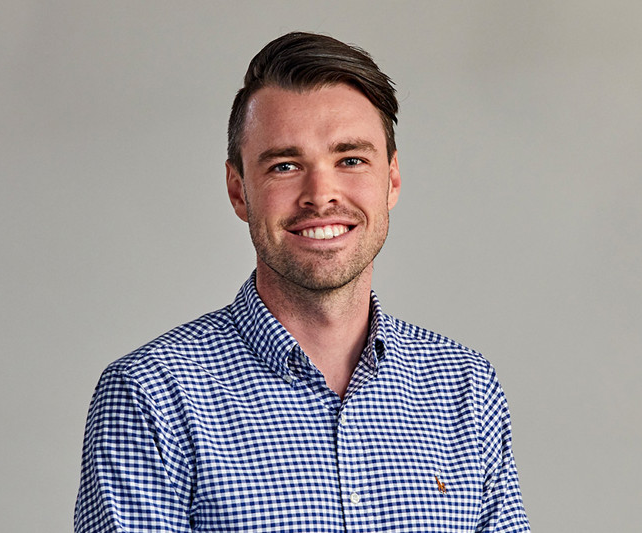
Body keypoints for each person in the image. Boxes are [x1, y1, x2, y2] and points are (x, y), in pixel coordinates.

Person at [75, 32, 529, 532]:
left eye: (350, 159)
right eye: (285, 166)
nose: (321, 195)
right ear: (239, 190)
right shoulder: (152, 396)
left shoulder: (465, 387)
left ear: (391, 180)